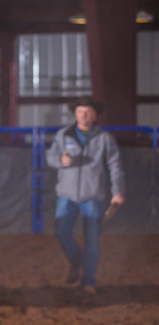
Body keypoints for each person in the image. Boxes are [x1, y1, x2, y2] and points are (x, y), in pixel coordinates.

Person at [45, 95, 125, 294]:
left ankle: (88, 282)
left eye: (88, 112)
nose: (84, 115)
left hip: (92, 195)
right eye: (80, 111)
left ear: (94, 114)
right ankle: (77, 260)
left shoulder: (104, 139)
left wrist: (118, 191)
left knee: (92, 240)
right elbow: (51, 156)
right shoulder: (63, 135)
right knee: (62, 232)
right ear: (75, 113)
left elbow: (114, 165)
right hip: (67, 194)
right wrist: (59, 161)